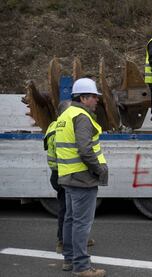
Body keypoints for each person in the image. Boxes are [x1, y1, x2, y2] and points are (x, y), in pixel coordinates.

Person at [55, 78, 108, 277]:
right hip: (82, 178)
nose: (97, 100)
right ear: (84, 97)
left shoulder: (66, 115)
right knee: (81, 223)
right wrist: (99, 170)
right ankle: (82, 267)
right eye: (94, 97)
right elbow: (85, 150)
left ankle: (69, 260)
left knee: (70, 220)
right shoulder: (82, 117)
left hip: (68, 175)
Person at [44, 101, 96, 254]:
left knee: (71, 212)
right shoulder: (64, 127)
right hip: (64, 172)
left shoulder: (54, 126)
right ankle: (62, 242)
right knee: (68, 211)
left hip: (59, 172)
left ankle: (76, 240)